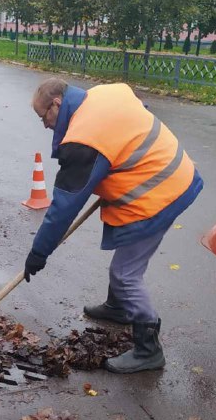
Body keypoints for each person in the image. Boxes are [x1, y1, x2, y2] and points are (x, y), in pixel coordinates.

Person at [24, 78, 203, 373]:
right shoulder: (104, 94)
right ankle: (119, 308)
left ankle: (149, 349)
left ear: (57, 104)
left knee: (125, 274)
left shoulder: (84, 140)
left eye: (43, 117)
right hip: (175, 171)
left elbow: (64, 206)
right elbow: (138, 110)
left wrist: (38, 252)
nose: (44, 124)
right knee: (123, 253)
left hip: (159, 193)